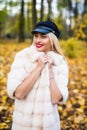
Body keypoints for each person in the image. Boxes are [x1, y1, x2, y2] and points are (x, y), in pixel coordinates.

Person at [7, 21, 69, 130]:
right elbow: (18, 93)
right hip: (23, 125)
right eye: (36, 36)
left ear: (52, 40)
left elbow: (56, 99)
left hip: (49, 126)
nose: (38, 40)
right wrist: (38, 68)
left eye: (43, 36)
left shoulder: (59, 62)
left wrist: (50, 71)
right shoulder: (23, 57)